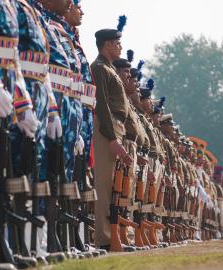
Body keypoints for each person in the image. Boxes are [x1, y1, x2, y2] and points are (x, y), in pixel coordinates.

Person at [91, 25, 133, 250]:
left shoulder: (107, 67)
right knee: (105, 186)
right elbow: (103, 106)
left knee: (114, 187)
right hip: (107, 129)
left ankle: (111, 236)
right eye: (117, 43)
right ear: (107, 45)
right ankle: (104, 239)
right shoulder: (99, 68)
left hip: (115, 128)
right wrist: (111, 139)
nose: (120, 47)